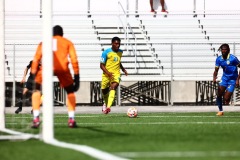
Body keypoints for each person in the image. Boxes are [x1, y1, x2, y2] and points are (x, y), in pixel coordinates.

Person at [31, 25, 80, 128]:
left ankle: (36, 118)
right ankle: (71, 119)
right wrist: (77, 76)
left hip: (47, 67)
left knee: (36, 90)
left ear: (51, 34)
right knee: (70, 91)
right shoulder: (67, 42)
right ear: (62, 34)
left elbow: (36, 58)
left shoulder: (44, 42)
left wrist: (33, 73)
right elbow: (74, 59)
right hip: (62, 68)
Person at [100, 37, 128, 114]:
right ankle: (105, 104)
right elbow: (101, 65)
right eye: (116, 43)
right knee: (104, 91)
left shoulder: (120, 52)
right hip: (106, 74)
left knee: (113, 87)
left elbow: (118, 61)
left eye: (119, 43)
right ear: (112, 43)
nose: (117, 45)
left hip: (116, 74)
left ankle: (108, 107)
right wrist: (108, 73)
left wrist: (123, 69)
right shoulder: (106, 52)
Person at [213, 43, 240, 116]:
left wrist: (238, 80)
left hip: (232, 80)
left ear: (228, 50)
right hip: (224, 79)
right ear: (221, 50)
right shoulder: (219, 59)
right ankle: (221, 111)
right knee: (219, 94)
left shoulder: (233, 59)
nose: (223, 51)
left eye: (225, 49)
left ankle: (228, 96)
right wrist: (214, 78)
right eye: (222, 50)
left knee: (226, 99)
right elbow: (216, 70)